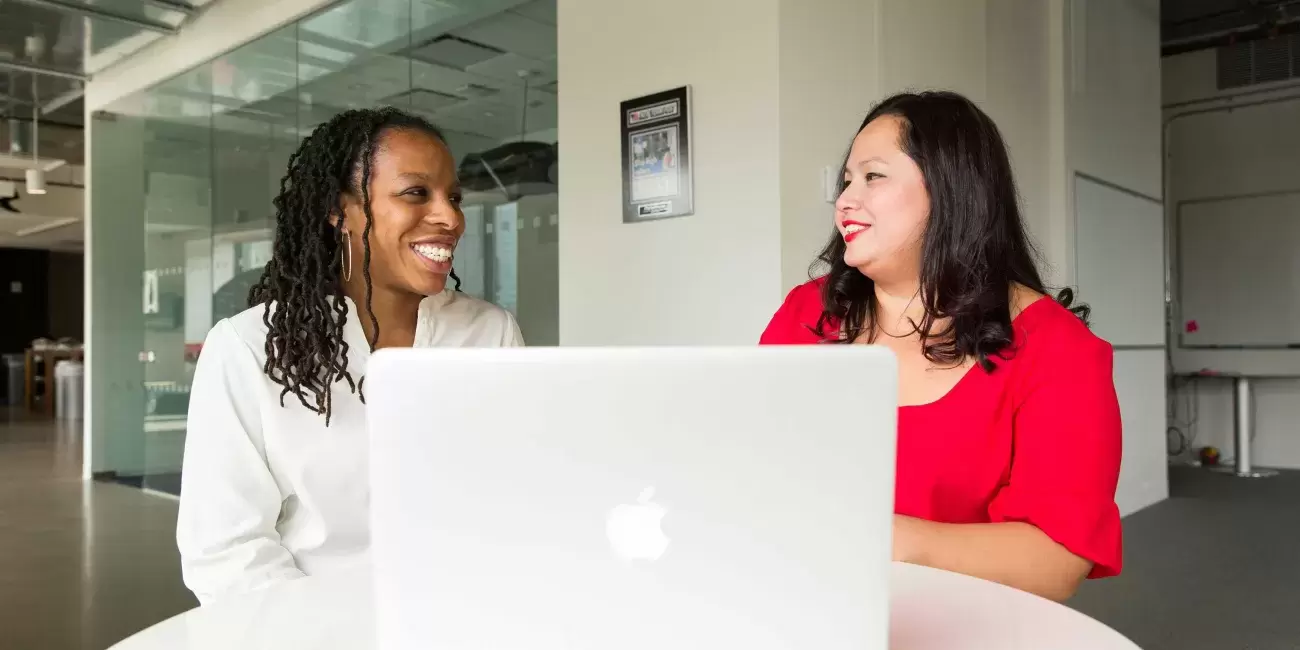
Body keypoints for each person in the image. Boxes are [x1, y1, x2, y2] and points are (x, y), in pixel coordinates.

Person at [759, 91, 1122, 602]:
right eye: (845, 181)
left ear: (953, 188)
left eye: (873, 176)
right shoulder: (806, 313)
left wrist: (888, 542)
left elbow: (1056, 559)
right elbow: (753, 460)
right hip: (796, 600)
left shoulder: (1059, 349)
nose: (844, 201)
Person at [177, 107, 524, 605]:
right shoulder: (249, 348)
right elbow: (226, 551)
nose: (450, 217)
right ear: (341, 211)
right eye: (415, 193)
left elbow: (516, 499)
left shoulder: (489, 332)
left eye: (454, 197)